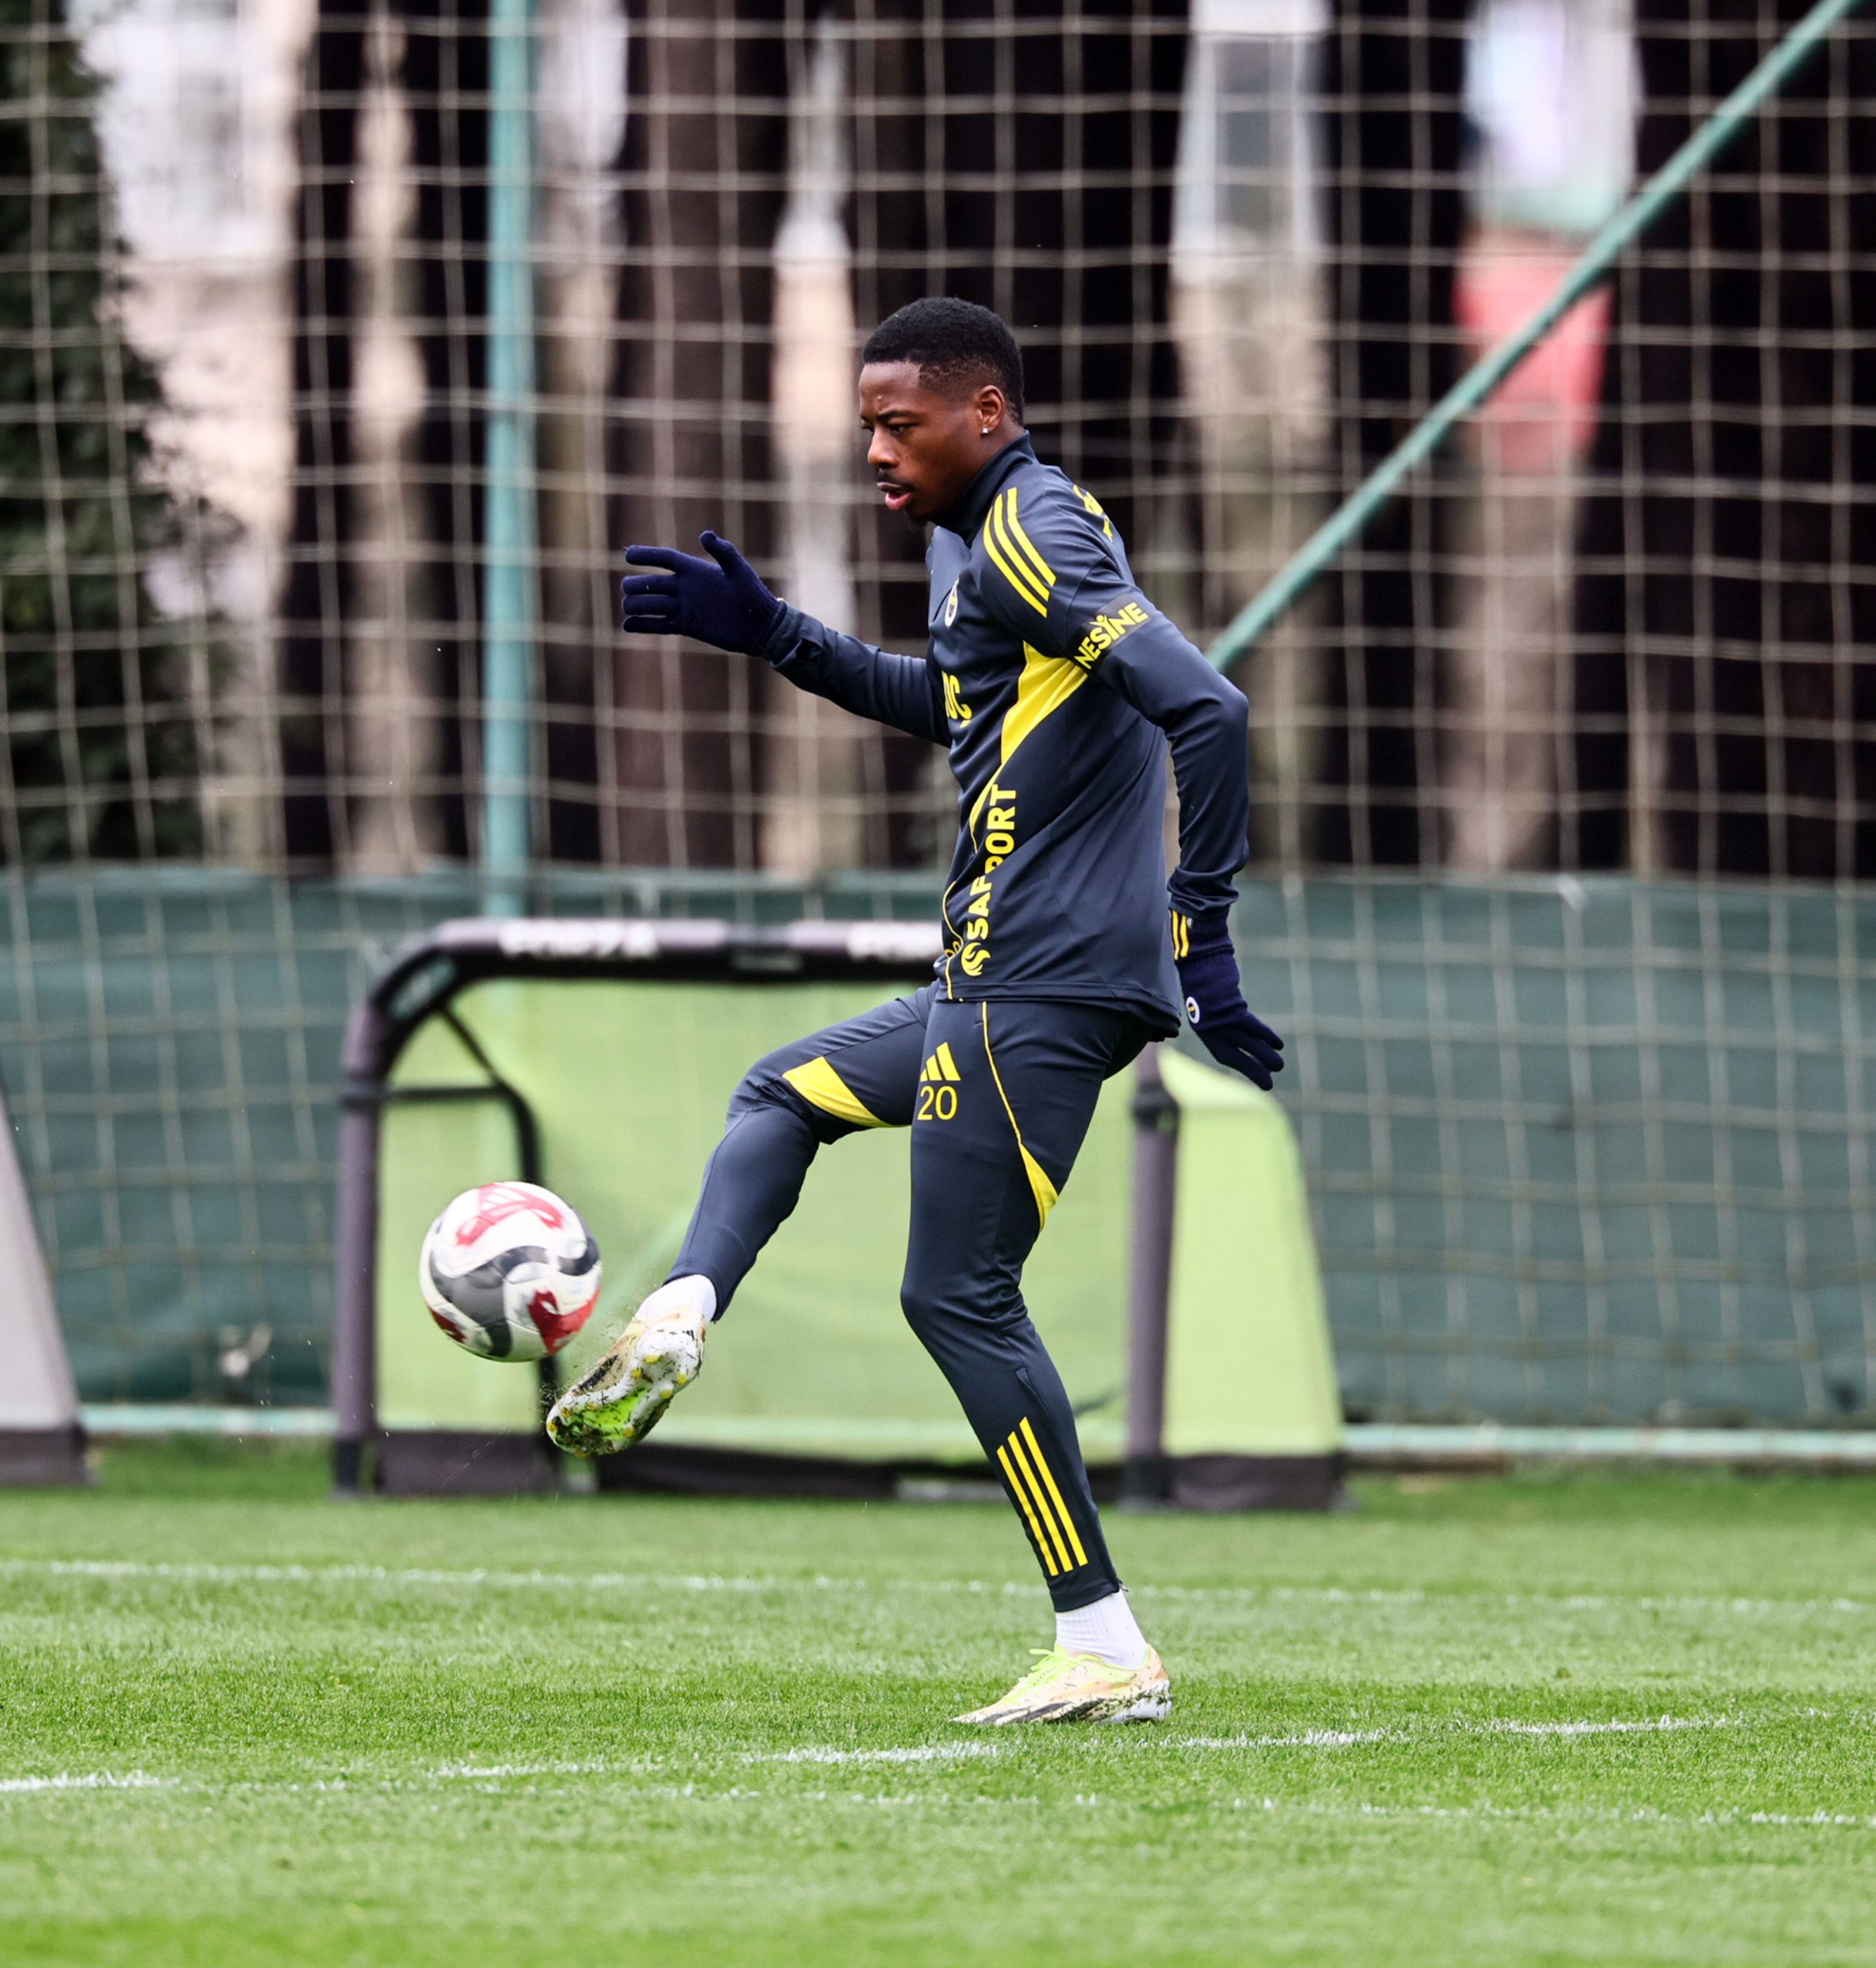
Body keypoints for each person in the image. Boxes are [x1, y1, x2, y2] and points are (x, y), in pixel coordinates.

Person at [547, 298, 1283, 1725]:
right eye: (867, 426)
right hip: (997, 975)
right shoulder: (974, 542)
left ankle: (1104, 1643)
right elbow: (952, 704)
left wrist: (1205, 938)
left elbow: (1211, 709)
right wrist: (774, 634)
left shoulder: (1033, 530)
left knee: (957, 1293)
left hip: (1040, 979)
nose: (876, 451)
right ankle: (686, 1310)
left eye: (902, 424)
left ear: (986, 413)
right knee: (783, 1094)